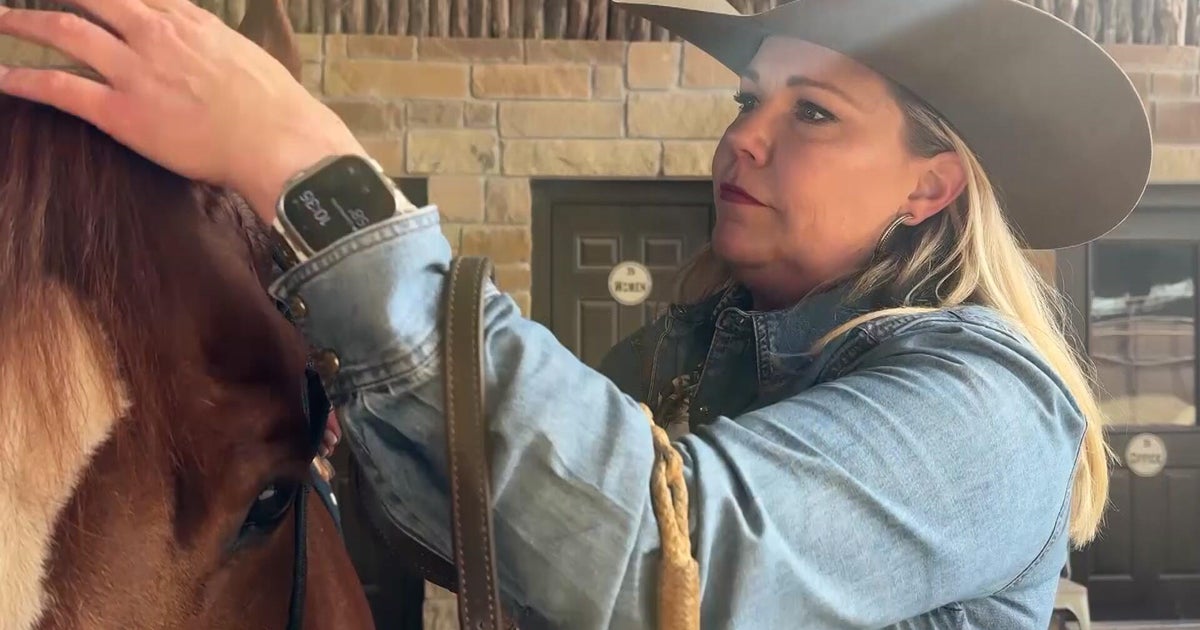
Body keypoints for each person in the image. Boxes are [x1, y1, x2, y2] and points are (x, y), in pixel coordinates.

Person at [0, 0, 1152, 627]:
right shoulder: (678, 355)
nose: (744, 135)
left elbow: (676, 572)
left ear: (928, 187)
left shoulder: (991, 407)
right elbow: (500, 548)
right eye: (755, 100)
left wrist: (319, 179)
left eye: (814, 116)